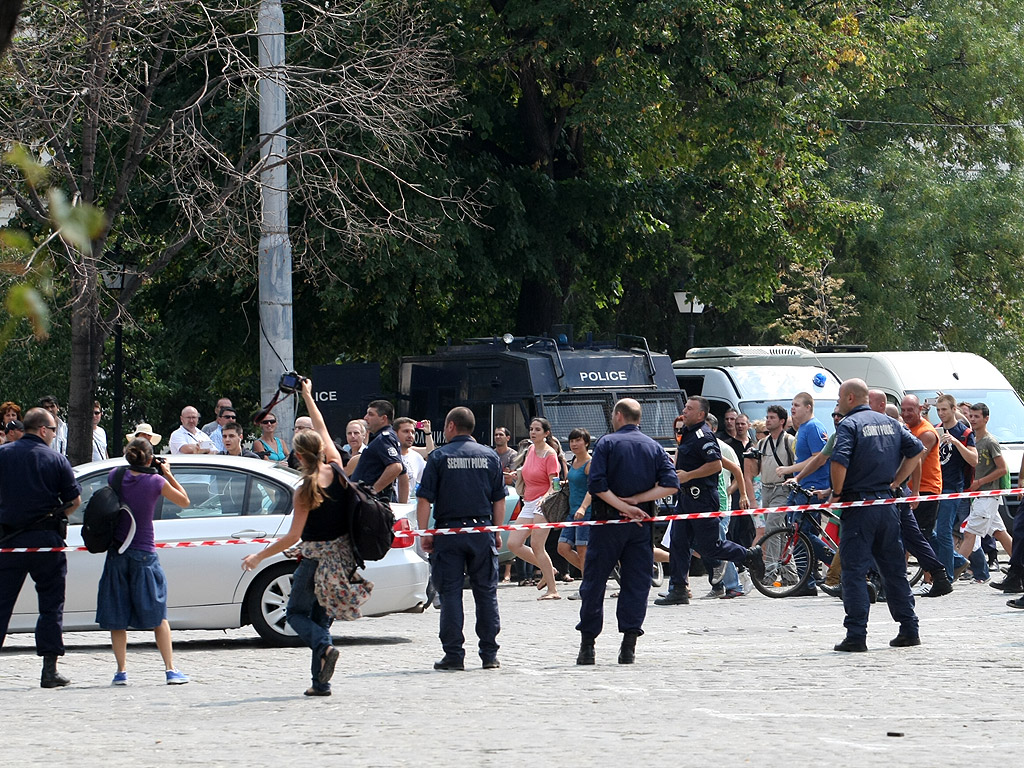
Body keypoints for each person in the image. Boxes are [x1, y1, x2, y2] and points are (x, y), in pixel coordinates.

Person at [242, 379, 361, 697]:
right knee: (320, 619)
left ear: (297, 455)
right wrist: (307, 395)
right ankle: (320, 683)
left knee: (295, 613)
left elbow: (293, 536)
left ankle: (323, 648)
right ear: (322, 449)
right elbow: (321, 426)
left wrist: (258, 556)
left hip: (315, 560)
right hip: (341, 559)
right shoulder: (337, 470)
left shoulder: (305, 488)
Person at [576, 398, 680, 665]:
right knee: (636, 585)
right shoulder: (654, 447)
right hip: (641, 526)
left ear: (618, 416)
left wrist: (623, 505)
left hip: (607, 524)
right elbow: (671, 485)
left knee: (595, 583)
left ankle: (588, 646)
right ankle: (628, 647)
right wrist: (637, 502)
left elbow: (597, 485)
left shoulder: (607, 443)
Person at [829, 378, 925, 652]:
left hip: (859, 507)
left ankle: (856, 635)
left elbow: (839, 460)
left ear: (849, 398)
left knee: (855, 572)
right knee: (894, 570)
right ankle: (909, 628)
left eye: (839, 397)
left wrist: (836, 492)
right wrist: (895, 483)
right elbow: (916, 450)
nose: (837, 403)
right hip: (887, 505)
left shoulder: (849, 425)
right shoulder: (890, 422)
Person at [416, 407, 506, 670]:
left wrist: (425, 533)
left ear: (452, 426)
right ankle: (489, 655)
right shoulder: (489, 456)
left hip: (449, 533)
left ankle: (454, 655)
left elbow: (424, 499)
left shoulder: (439, 456)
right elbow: (498, 499)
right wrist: (496, 531)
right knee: (486, 594)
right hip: (481, 531)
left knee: (451, 594)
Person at [97, 438, 191, 685]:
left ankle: (121, 671)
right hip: (144, 552)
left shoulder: (114, 476)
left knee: (117, 614)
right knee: (157, 611)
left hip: (118, 551)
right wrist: (168, 473)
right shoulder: (156, 481)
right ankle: (170, 669)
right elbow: (184, 501)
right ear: (151, 459)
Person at [0, 407, 82, 687]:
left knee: (1, 604)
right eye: (54, 430)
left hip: (9, 542)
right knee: (51, 605)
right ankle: (49, 670)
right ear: (44, 430)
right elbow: (74, 501)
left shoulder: (4, 454)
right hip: (47, 543)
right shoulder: (56, 459)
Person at [655, 397, 762, 606]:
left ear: (701, 415)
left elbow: (714, 465)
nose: (684, 411)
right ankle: (678, 589)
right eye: (685, 407)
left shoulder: (703, 435)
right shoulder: (686, 434)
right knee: (678, 542)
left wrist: (689, 475)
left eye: (689, 408)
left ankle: (748, 554)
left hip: (702, 498)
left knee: (710, 547)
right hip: (686, 498)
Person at [506, 417, 562, 600]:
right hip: (529, 502)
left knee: (538, 545)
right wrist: (518, 474)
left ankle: (553, 590)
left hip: (544, 504)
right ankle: (549, 569)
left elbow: (555, 484)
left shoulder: (550, 454)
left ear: (546, 433)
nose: (533, 432)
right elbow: (529, 471)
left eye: (537, 429)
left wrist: (544, 497)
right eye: (531, 429)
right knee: (513, 543)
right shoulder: (530, 449)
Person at [956, 403, 1013, 562]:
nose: (972, 419)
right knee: (999, 532)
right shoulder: (972, 439)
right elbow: (958, 418)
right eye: (971, 416)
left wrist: (979, 482)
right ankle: (1019, 567)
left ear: (986, 419)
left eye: (977, 416)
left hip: (987, 495)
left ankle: (953, 573)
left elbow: (1002, 469)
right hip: (979, 496)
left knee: (969, 533)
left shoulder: (990, 442)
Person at [933, 394, 977, 583]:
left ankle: (947, 576)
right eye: (938, 410)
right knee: (926, 530)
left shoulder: (964, 432)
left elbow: (973, 459)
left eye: (944, 409)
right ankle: (958, 560)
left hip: (953, 487)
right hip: (935, 486)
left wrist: (956, 442)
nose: (941, 413)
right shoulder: (935, 429)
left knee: (943, 530)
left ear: (953, 410)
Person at [557, 428, 593, 599]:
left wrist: (583, 507)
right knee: (562, 548)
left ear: (586, 443)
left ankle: (588, 587)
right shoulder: (574, 461)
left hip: (585, 513)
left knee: (582, 549)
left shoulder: (590, 463)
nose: (574, 444)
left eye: (578, 440)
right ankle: (593, 576)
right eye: (572, 441)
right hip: (572, 512)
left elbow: (593, 489)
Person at [349, 401, 408, 503]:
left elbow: (396, 467)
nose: (365, 417)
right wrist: (403, 506)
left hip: (373, 506)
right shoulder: (386, 437)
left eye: (371, 414)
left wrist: (372, 492)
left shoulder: (384, 438)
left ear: (383, 418)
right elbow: (403, 473)